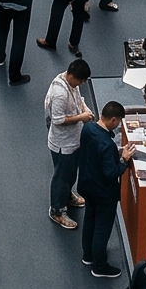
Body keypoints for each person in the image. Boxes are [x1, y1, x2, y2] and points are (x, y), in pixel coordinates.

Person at [78, 101, 134, 277]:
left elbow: (97, 155)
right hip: (103, 193)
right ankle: (99, 266)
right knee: (102, 228)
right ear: (113, 119)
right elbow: (111, 172)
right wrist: (124, 159)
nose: (117, 127)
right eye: (117, 123)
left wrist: (116, 153)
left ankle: (88, 255)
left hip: (86, 185)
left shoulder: (88, 129)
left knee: (90, 220)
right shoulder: (106, 144)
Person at [45, 58, 94, 229]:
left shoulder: (71, 83)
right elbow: (57, 120)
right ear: (72, 75)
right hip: (62, 144)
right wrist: (82, 117)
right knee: (62, 177)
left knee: (70, 174)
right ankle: (57, 210)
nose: (81, 83)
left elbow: (78, 99)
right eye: (80, 80)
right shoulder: (60, 93)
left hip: (73, 140)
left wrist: (84, 109)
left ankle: (66, 196)